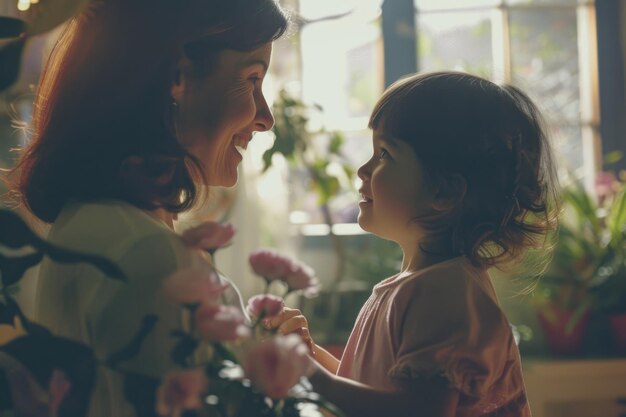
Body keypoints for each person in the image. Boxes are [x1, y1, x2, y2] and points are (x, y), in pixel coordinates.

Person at [7, 0, 288, 416]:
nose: (265, 118)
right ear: (176, 76)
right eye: (251, 79)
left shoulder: (89, 224)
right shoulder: (149, 258)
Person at [271, 71, 559, 417]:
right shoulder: (422, 286)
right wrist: (310, 355)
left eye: (385, 154)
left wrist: (310, 376)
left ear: (444, 192)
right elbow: (376, 396)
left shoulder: (446, 294)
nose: (363, 170)